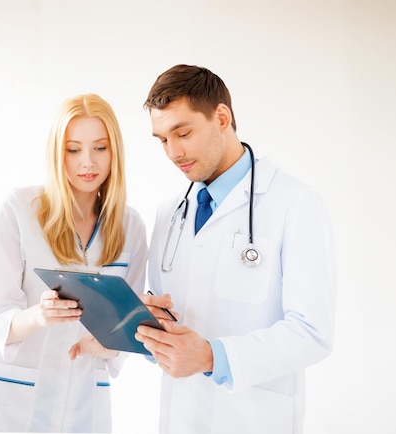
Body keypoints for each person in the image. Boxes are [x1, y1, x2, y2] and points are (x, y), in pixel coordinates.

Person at [134, 64, 336, 434]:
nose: (173, 152)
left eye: (183, 133)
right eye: (162, 140)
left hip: (252, 418)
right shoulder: (170, 212)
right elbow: (173, 316)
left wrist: (213, 357)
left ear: (221, 117)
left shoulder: (295, 203)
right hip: (179, 416)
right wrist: (149, 324)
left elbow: (313, 333)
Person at [0, 94, 148, 432]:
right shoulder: (20, 208)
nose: (87, 162)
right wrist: (39, 315)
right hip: (11, 398)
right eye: (73, 150)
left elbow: (126, 332)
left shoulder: (130, 226)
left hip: (85, 394)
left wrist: (106, 344)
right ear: (57, 152)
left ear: (114, 151)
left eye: (100, 148)